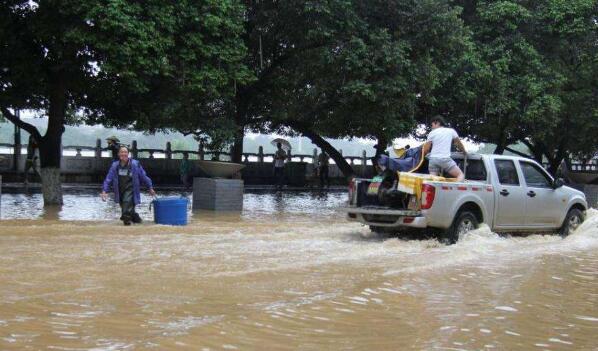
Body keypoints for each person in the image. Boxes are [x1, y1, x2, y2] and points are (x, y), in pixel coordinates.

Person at [101, 145, 156, 225]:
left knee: (126, 210)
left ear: (128, 154)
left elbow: (143, 176)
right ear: (118, 154)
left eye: (125, 152)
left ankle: (127, 227)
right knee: (127, 209)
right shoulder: (115, 165)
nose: (123, 154)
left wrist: (150, 187)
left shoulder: (135, 164)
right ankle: (137, 220)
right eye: (121, 152)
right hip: (120, 191)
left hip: (131, 190)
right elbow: (108, 178)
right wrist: (104, 191)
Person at [425, 115, 467, 181]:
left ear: (437, 123)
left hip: (433, 160)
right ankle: (455, 190)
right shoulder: (451, 131)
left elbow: (426, 149)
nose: (432, 127)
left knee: (433, 180)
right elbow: (459, 144)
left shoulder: (431, 133)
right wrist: (464, 152)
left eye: (432, 125)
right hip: (445, 159)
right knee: (460, 175)